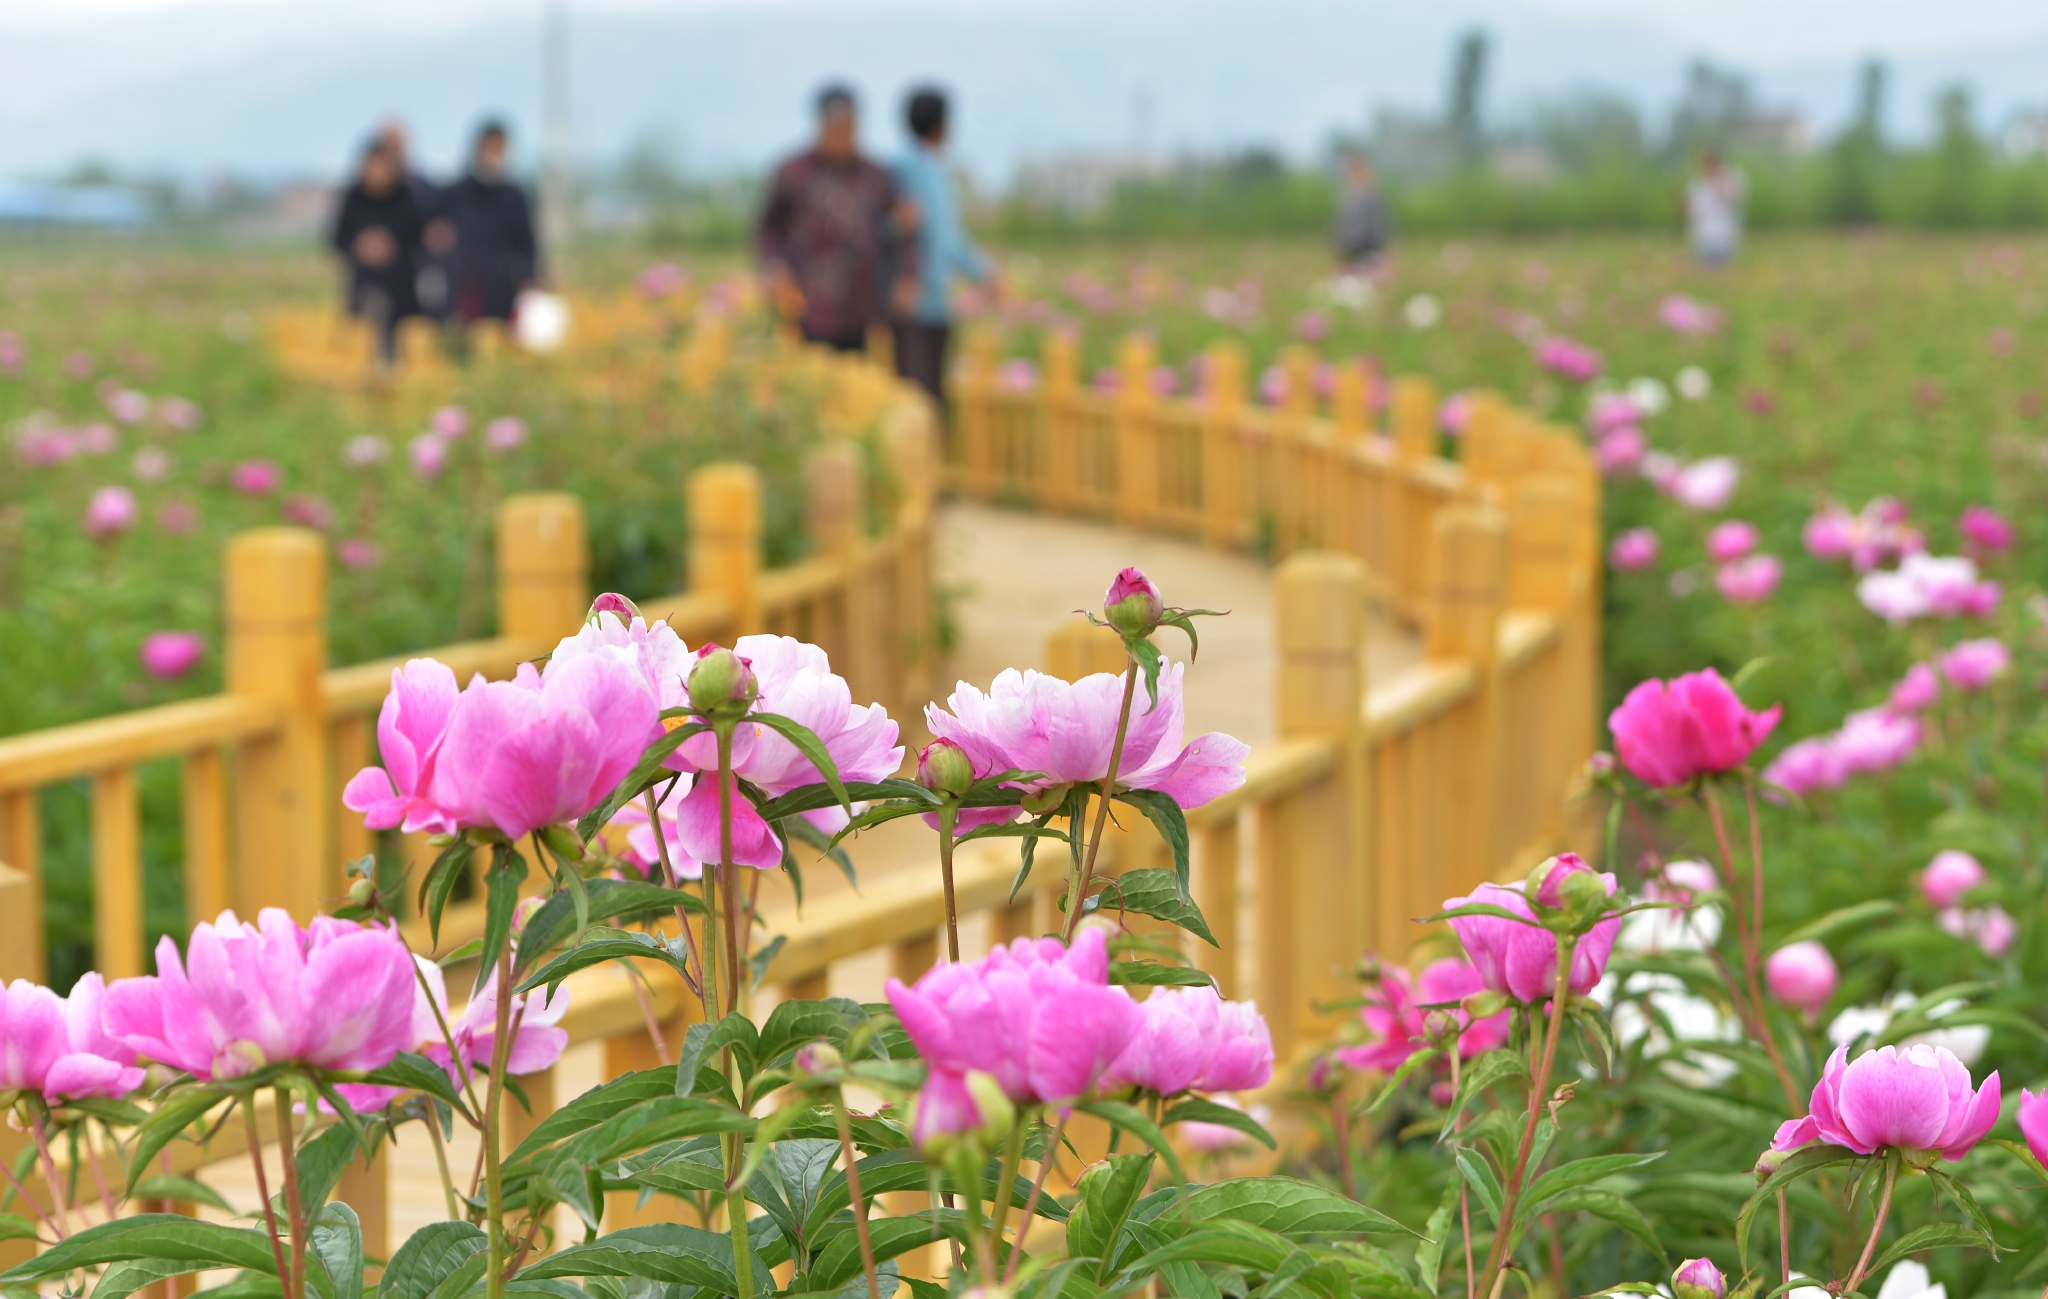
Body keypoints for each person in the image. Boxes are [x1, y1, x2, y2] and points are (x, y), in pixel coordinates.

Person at [756, 84, 915, 353]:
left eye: (849, 128)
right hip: (806, 306)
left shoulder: (876, 176)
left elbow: (902, 231)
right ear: (820, 126)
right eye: (835, 129)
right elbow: (769, 230)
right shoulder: (794, 172)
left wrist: (907, 275)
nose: (843, 137)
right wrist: (775, 269)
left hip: (863, 307)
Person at [890, 86, 996, 408]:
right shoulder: (918, 170)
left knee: (927, 391)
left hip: (928, 300)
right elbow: (943, 236)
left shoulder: (909, 167)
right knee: (923, 396)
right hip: (917, 299)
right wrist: (983, 271)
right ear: (942, 125)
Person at [330, 138, 423, 365]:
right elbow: (336, 239)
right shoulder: (353, 198)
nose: (377, 173)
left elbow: (417, 236)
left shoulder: (404, 197)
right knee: (363, 339)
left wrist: (390, 246)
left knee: (403, 341)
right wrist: (360, 245)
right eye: (372, 166)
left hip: (400, 284)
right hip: (364, 281)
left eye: (382, 166)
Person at [441, 120, 540, 327]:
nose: (494, 156)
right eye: (489, 149)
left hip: (501, 287)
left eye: (499, 150)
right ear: (477, 150)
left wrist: (529, 278)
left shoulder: (514, 197)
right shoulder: (456, 194)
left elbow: (526, 243)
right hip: (464, 288)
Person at [377, 118, 452, 318]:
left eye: (398, 145)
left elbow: (442, 225)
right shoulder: (364, 193)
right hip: (379, 282)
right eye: (388, 146)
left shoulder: (421, 188)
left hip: (419, 276)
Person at [1686, 149, 1746, 267]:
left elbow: (1736, 200)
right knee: (1706, 258)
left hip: (1721, 231)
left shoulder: (1727, 180)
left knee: (1717, 259)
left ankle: (1717, 264)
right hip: (1703, 231)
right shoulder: (1698, 183)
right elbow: (1693, 207)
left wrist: (1723, 191)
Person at [1332, 150, 1388, 267]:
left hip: (1368, 249)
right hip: (1349, 250)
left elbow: (1379, 228)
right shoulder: (1346, 198)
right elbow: (1340, 229)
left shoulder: (1371, 197)